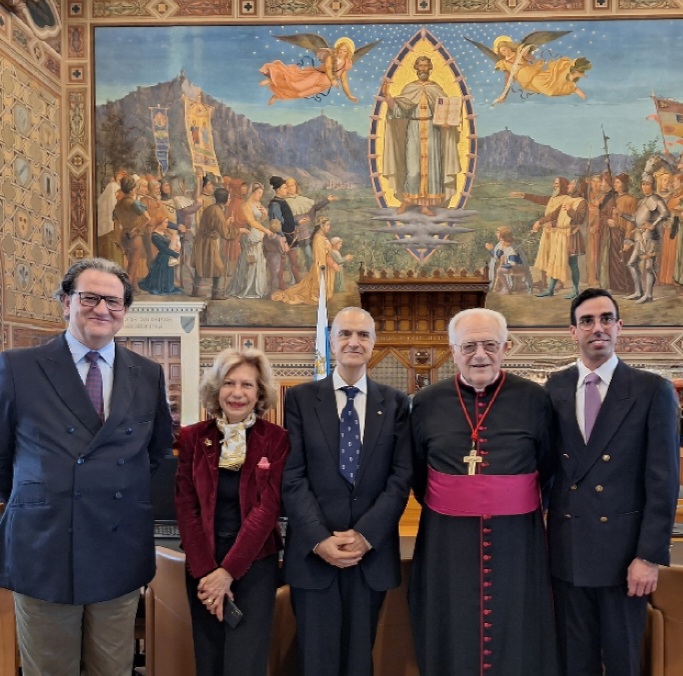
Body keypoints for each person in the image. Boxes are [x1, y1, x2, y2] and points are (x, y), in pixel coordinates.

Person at [0, 257, 173, 676]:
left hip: (117, 545)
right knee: (50, 669)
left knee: (111, 669)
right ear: (65, 302)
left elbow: (156, 453)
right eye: (89, 297)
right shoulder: (17, 368)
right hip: (44, 546)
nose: (102, 309)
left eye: (113, 301)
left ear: (125, 311)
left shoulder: (147, 374)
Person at [408, 307, 558, 676]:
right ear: (452, 349)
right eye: (469, 345)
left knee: (517, 624)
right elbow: (414, 471)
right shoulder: (427, 402)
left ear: (506, 347)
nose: (480, 355)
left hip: (517, 543)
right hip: (447, 543)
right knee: (450, 622)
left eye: (490, 345)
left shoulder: (534, 399)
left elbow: (550, 466)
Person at [546, 288, 680, 676]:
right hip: (567, 552)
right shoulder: (554, 388)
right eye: (587, 321)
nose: (597, 328)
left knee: (623, 661)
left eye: (606, 319)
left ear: (619, 327)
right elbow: (545, 468)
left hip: (625, 559)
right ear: (573, 331)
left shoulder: (650, 390)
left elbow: (663, 479)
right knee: (574, 662)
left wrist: (649, 556)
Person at [282, 307, 411, 676]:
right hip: (314, 553)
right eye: (345, 334)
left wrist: (366, 536)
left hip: (368, 556)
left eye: (363, 335)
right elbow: (292, 476)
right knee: (315, 660)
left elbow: (400, 478)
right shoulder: (301, 400)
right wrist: (320, 539)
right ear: (331, 341)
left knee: (359, 659)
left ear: (373, 344)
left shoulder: (396, 403)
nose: (354, 342)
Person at [175, 348, 290, 676]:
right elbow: (186, 506)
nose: (237, 393)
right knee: (208, 659)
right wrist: (208, 572)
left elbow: (267, 509)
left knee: (245, 663)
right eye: (228, 383)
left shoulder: (276, 439)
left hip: (254, 565)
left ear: (260, 393)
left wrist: (227, 573)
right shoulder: (193, 437)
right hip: (202, 564)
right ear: (216, 389)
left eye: (247, 385)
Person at [382, 56, 461, 216]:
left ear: (430, 68)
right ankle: (407, 201)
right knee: (412, 169)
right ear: (416, 68)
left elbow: (447, 109)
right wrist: (388, 97)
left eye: (426, 66)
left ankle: (425, 205)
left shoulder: (436, 88)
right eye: (421, 66)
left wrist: (447, 120)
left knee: (431, 169)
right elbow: (398, 111)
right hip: (414, 128)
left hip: (433, 130)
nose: (423, 69)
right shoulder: (410, 88)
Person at [624, 175, 669, 304]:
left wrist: (653, 225)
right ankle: (639, 292)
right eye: (643, 184)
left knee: (649, 267)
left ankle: (649, 295)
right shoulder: (642, 201)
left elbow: (665, 213)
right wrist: (621, 214)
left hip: (651, 237)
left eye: (647, 184)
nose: (644, 187)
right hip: (639, 237)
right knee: (631, 263)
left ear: (652, 186)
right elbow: (635, 219)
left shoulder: (656, 199)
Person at [271, 215, 335, 306]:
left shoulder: (321, 237)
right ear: (322, 226)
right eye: (328, 225)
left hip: (324, 266)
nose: (329, 227)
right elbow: (321, 258)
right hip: (321, 267)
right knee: (310, 292)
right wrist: (331, 264)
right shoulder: (319, 238)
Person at [191, 187, 242, 300]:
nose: (230, 199)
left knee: (201, 265)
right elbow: (226, 234)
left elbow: (215, 224)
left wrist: (226, 222)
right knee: (218, 267)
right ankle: (215, 293)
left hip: (202, 240)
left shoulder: (212, 208)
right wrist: (239, 230)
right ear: (225, 199)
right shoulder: (218, 211)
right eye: (228, 197)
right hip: (208, 242)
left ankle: (195, 291)